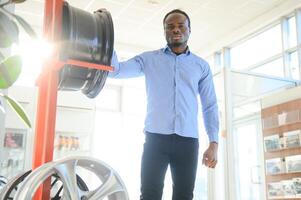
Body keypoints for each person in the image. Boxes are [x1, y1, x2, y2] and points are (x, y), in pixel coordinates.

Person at [109, 9, 219, 200]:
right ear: (164, 32)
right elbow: (116, 71)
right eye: (170, 27)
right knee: (149, 195)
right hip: (155, 140)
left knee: (184, 196)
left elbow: (210, 105)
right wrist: (106, 40)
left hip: (188, 141)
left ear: (189, 30)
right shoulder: (149, 59)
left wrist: (214, 143)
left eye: (181, 26)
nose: (176, 30)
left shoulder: (201, 66)